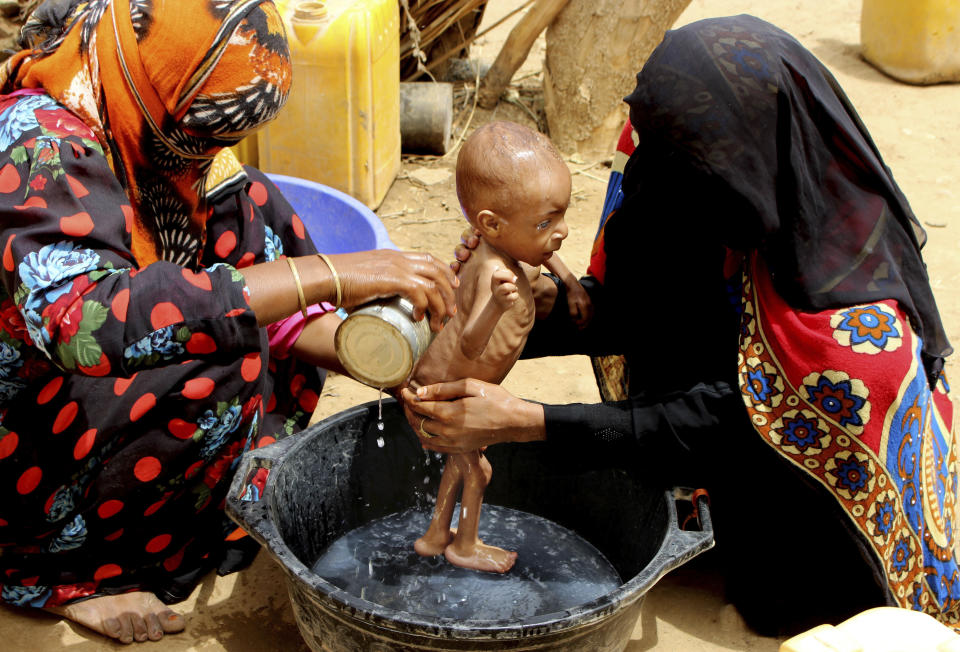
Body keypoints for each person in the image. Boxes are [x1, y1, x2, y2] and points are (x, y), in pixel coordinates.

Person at [402, 14, 959, 636]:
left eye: (686, 154)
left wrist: (532, 422)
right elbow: (638, 308)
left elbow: (743, 423)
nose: (660, 168)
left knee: (784, 598)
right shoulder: (685, 176)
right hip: (729, 400)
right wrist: (516, 311)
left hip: (811, 484)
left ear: (744, 149)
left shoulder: (847, 301)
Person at [0, 0, 457, 645]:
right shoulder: (35, 142)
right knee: (223, 348)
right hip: (26, 426)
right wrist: (329, 273)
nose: (206, 154)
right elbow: (84, 326)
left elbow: (278, 306)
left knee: (256, 237)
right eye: (197, 134)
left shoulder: (170, 137)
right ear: (154, 80)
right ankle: (70, 570)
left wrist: (394, 359)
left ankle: (192, 520)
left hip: (86, 402)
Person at [405, 120, 573, 573]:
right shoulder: (489, 270)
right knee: (477, 469)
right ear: (491, 225)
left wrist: (572, 283)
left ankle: (436, 533)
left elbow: (542, 250)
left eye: (561, 215)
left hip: (459, 383)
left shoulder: (513, 241)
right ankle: (463, 544)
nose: (561, 233)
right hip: (447, 387)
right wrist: (496, 306)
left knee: (463, 465)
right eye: (546, 222)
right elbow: (472, 342)